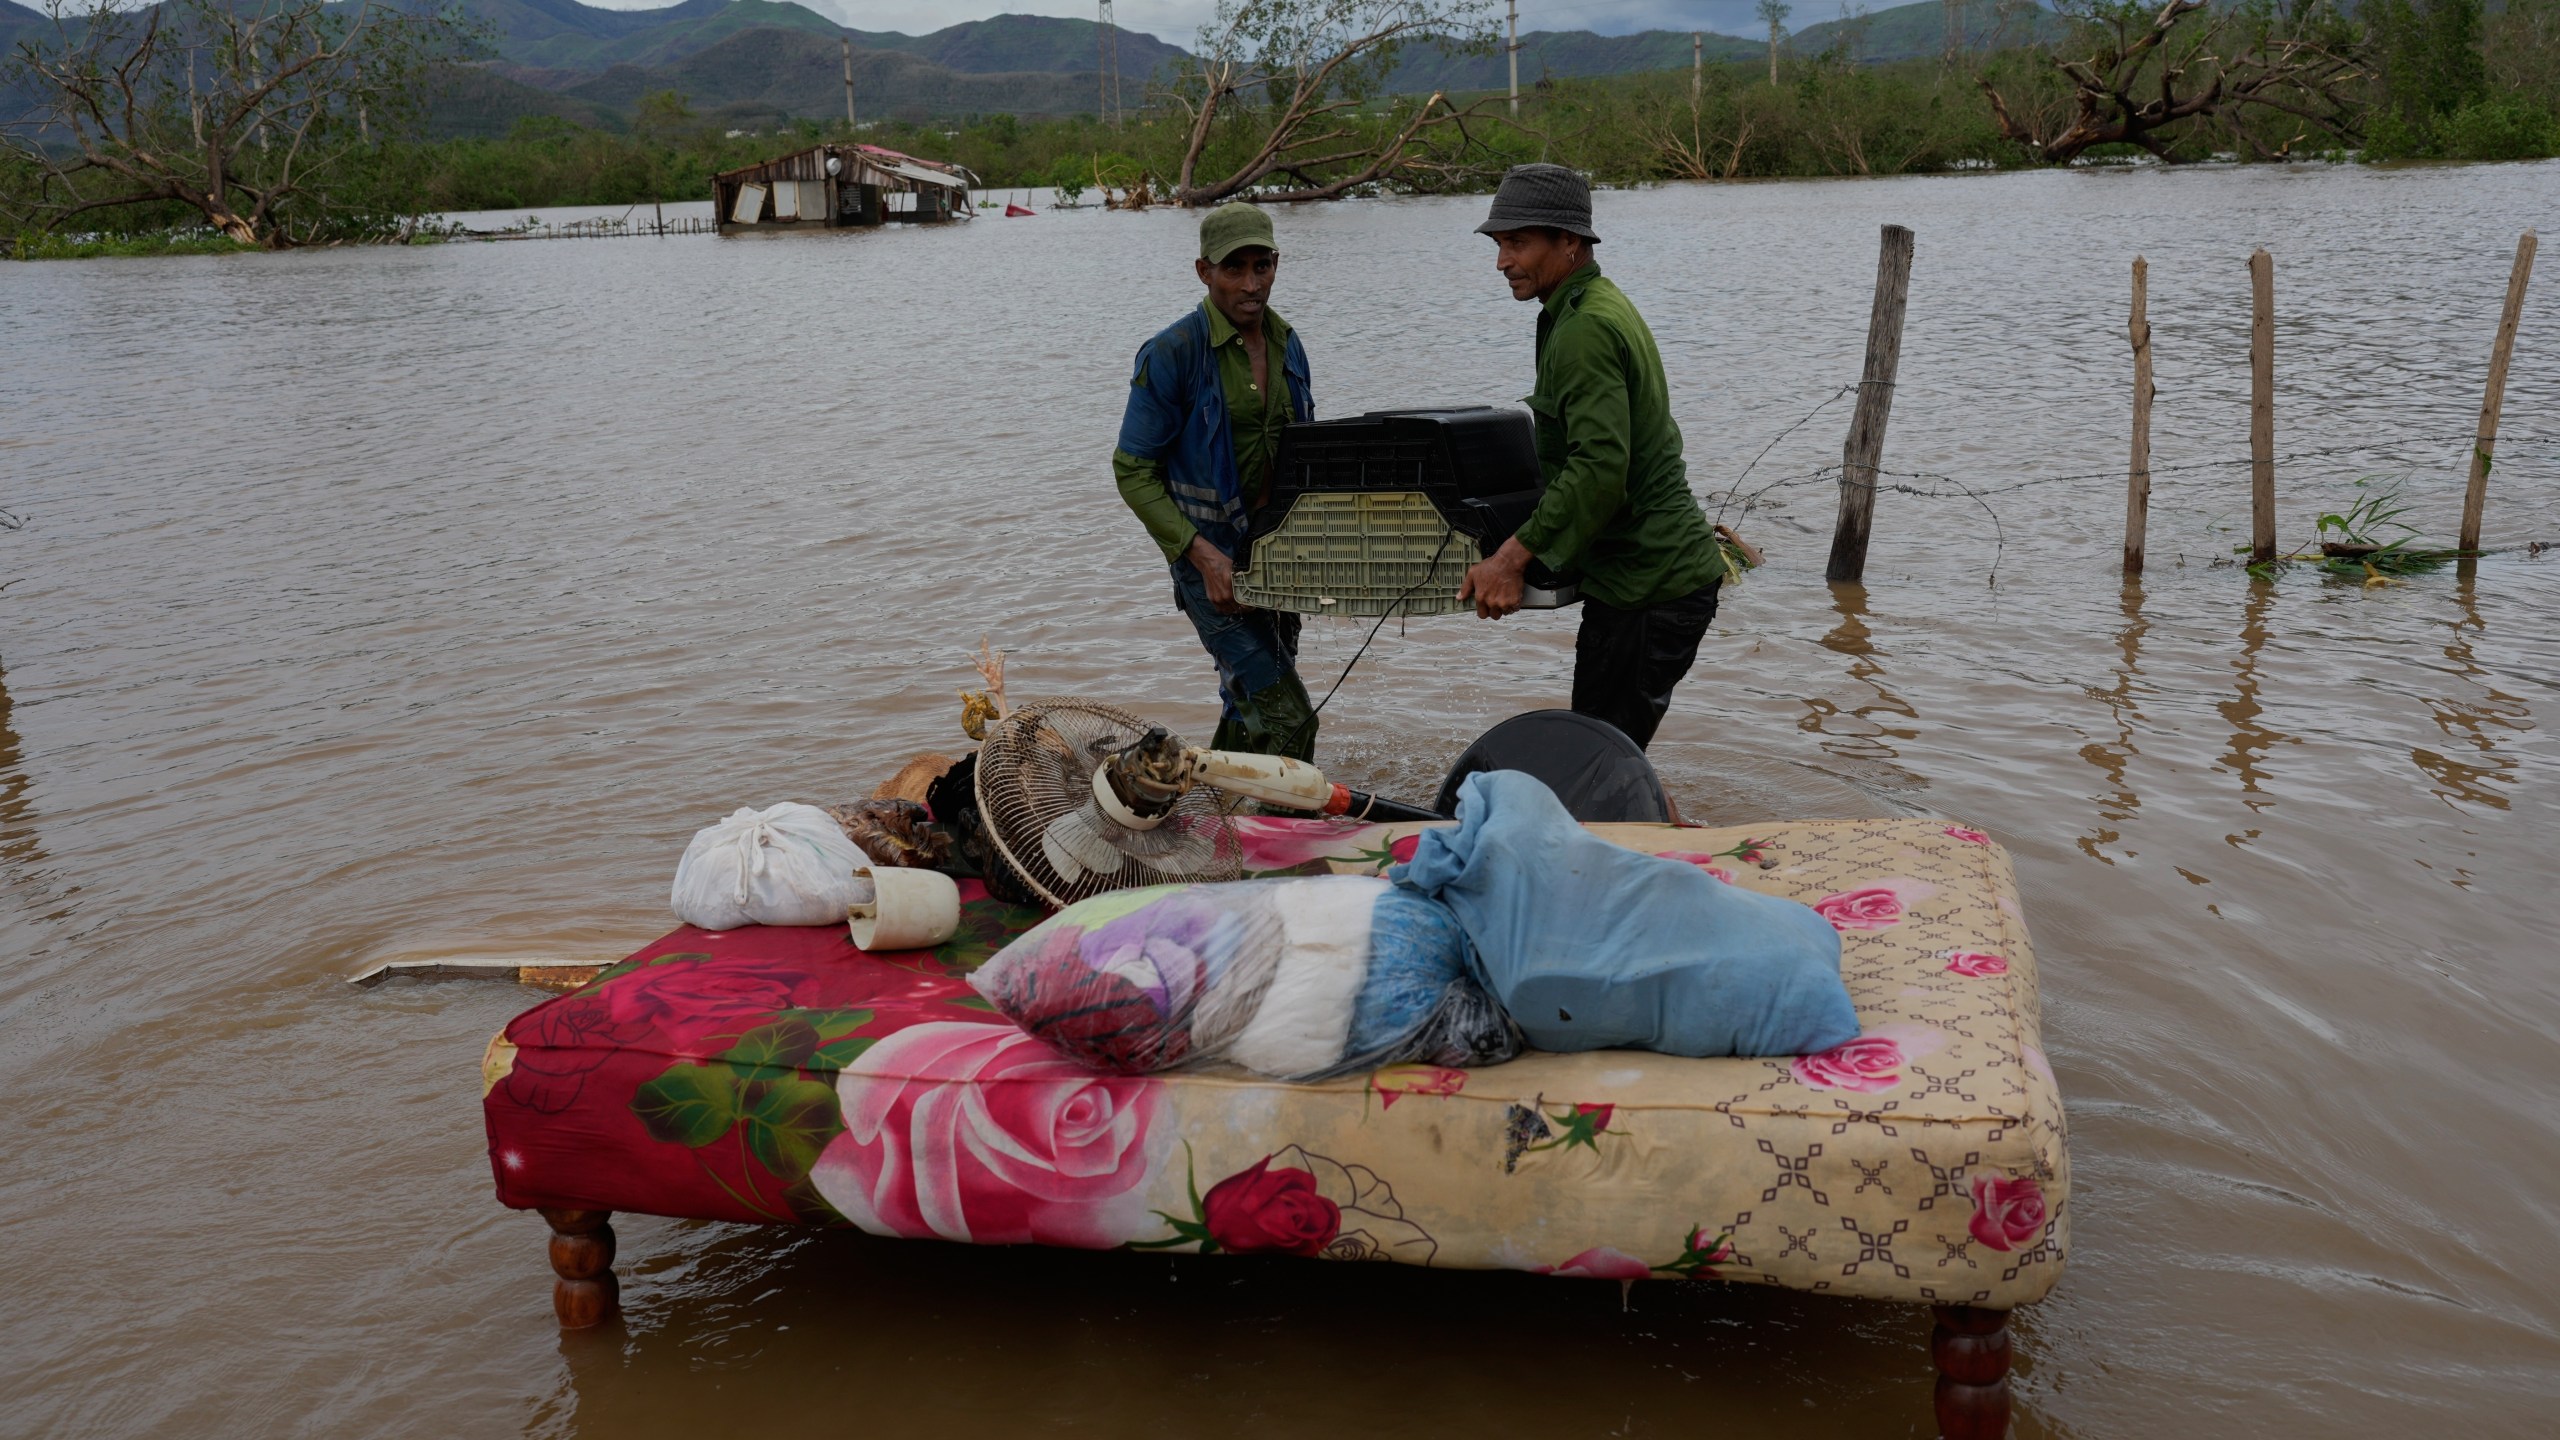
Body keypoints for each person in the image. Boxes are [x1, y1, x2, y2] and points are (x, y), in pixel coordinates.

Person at [1457, 163, 1725, 751]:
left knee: (1596, 761)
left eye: (1518, 243)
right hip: (1643, 581)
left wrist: (1509, 558)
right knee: (1606, 753)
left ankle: (1657, 838)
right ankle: (1666, 833)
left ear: (1569, 242)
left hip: (1649, 584)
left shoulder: (1585, 328)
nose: (1503, 261)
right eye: (1501, 244)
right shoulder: (1587, 308)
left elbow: (1600, 469)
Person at [1112, 203, 1319, 759]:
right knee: (1289, 717)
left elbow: (1306, 454)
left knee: (1248, 702)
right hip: (1206, 563)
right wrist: (1204, 559)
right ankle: (1288, 835)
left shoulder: (1288, 343)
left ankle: (1220, 814)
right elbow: (1132, 471)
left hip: (1273, 557)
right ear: (1204, 272)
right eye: (1235, 269)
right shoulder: (1173, 354)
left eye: (1263, 266)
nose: (1252, 284)